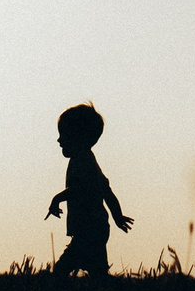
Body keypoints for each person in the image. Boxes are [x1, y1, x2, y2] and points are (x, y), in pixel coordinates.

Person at [44, 102, 132, 275]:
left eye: (64, 135)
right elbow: (106, 191)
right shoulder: (88, 160)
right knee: (98, 274)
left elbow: (79, 188)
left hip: (89, 230)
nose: (59, 140)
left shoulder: (83, 162)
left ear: (79, 137)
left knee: (61, 271)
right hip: (96, 228)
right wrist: (117, 216)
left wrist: (57, 199)